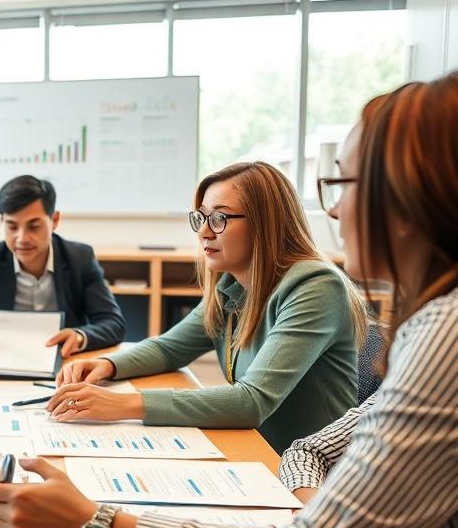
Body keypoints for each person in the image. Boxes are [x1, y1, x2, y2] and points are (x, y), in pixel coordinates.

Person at [0, 73, 458, 528]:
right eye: (200, 218)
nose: (333, 211)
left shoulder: (396, 318)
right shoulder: (239, 288)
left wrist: (99, 523)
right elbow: (179, 349)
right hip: (288, 491)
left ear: (407, 194)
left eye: (345, 183)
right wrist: (109, 364)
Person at [48, 161, 366, 453]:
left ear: (265, 223)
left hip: (313, 475)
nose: (203, 232)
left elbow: (251, 401)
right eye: (201, 218)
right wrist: (108, 364)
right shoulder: (232, 287)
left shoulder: (315, 287)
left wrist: (125, 404)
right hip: (257, 451)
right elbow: (169, 349)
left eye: (219, 218)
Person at [0, 175, 126, 357]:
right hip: (3, 357)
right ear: (1, 222)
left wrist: (78, 336)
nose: (22, 238)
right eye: (12, 226)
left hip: (63, 360)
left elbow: (113, 323)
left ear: (55, 221)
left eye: (34, 226)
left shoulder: (79, 257)